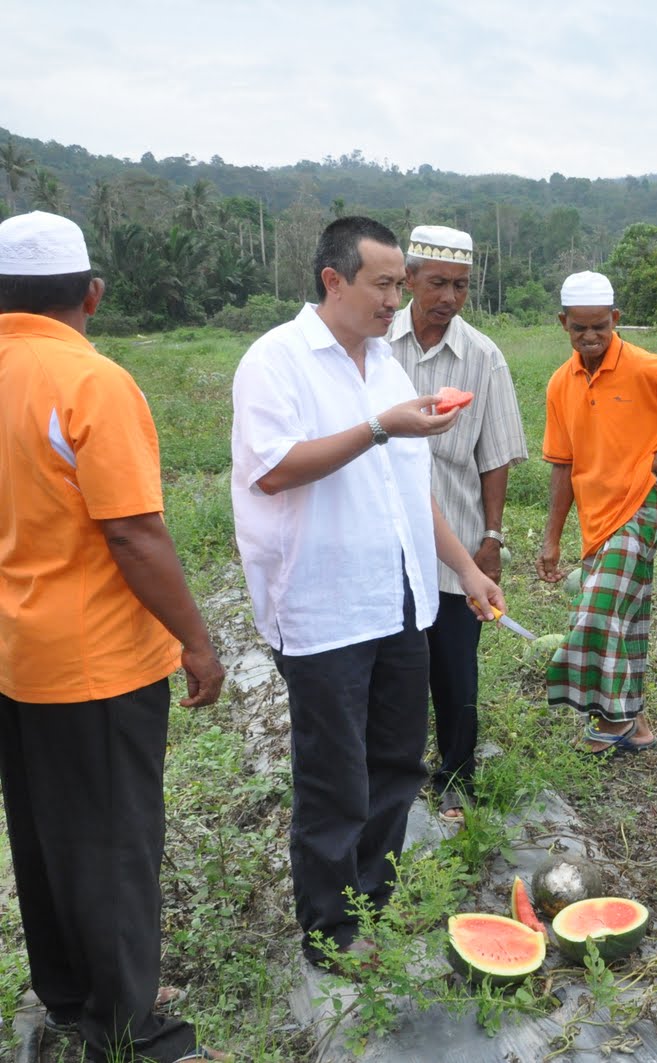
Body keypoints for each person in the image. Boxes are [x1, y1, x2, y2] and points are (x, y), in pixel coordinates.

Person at [231, 216, 505, 967]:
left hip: (400, 602)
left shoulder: (383, 365)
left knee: (395, 764)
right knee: (334, 779)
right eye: (384, 284)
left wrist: (467, 568)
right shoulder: (276, 361)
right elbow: (276, 467)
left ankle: (368, 904)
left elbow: (407, 492)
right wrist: (378, 428)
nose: (397, 299)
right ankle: (329, 929)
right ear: (334, 280)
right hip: (323, 612)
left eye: (397, 284)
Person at [0, 211, 229, 1062]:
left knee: (42, 833)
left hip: (16, 651)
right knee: (115, 847)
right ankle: (133, 1028)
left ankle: (66, 994)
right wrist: (197, 643)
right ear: (93, 293)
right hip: (94, 660)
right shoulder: (89, 381)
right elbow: (134, 532)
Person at [539, 270, 657, 753]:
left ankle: (614, 717)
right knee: (629, 616)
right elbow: (562, 465)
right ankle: (638, 725)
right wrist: (552, 538)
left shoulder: (644, 367)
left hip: (640, 503)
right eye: (579, 328)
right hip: (594, 517)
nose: (591, 336)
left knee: (598, 610)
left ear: (616, 318)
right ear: (563, 324)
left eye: (600, 326)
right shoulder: (561, 383)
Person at [388, 225, 527, 820]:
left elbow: (494, 456)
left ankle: (456, 781)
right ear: (410, 279)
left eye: (462, 286)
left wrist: (490, 540)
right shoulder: (375, 346)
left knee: (454, 668)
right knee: (391, 667)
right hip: (386, 537)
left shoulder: (483, 356)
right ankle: (392, 779)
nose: (448, 297)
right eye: (438, 282)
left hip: (457, 542)